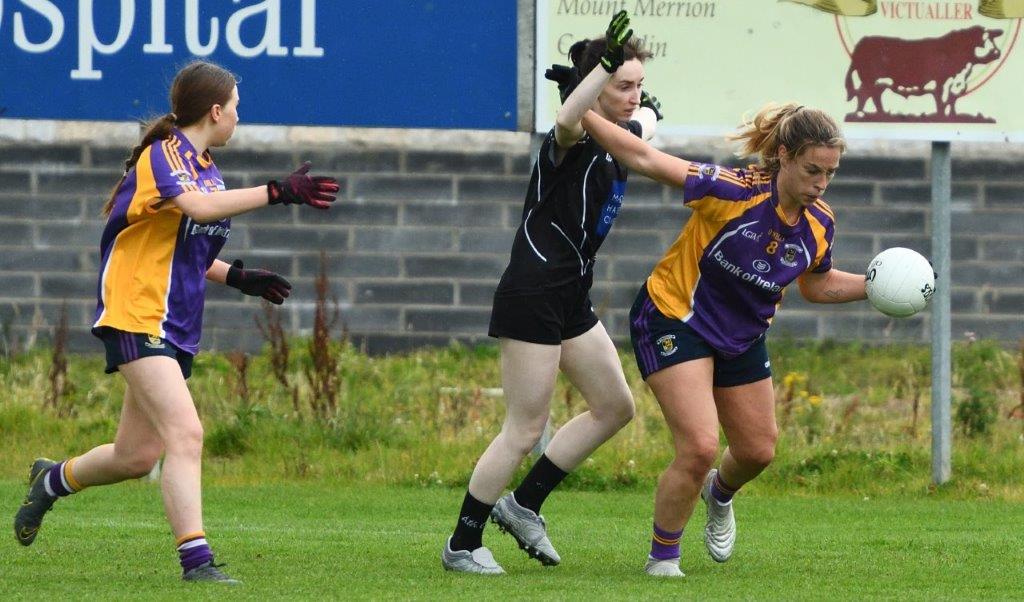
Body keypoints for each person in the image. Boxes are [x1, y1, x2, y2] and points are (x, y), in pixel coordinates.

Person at [12, 60, 339, 584]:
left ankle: (52, 481)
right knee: (186, 434)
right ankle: (197, 562)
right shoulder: (164, 155)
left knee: (136, 455)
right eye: (235, 107)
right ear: (215, 111)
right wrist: (277, 192)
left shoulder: (206, 167)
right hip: (137, 312)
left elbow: (182, 247)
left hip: (173, 323)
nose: (238, 116)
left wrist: (239, 277)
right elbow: (197, 209)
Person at [581, 102, 869, 577]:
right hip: (676, 317)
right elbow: (647, 159)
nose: (821, 183)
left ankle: (719, 494)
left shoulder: (821, 223)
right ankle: (664, 557)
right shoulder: (732, 190)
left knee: (758, 451)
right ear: (783, 156)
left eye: (830, 174)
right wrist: (581, 110)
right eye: (812, 170)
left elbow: (815, 284)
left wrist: (874, 287)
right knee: (698, 445)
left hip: (742, 334)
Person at [441, 11, 662, 575]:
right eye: (623, 85)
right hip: (533, 293)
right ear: (597, 87)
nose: (635, 96)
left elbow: (648, 126)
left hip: (570, 297)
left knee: (615, 407)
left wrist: (633, 97)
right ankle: (463, 543)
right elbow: (568, 117)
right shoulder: (565, 142)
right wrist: (600, 69)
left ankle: (525, 505)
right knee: (522, 427)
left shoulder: (624, 135)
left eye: (639, 84)